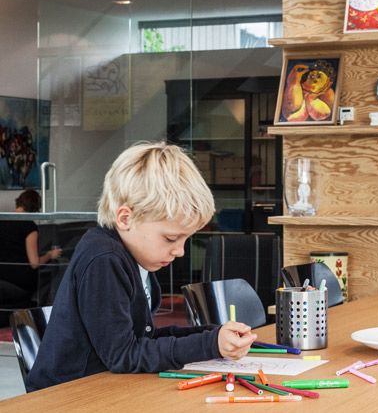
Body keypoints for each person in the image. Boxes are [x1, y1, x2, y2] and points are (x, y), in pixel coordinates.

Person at [26, 142, 257, 392]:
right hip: (64, 397)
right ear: (126, 218)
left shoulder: (132, 258)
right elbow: (124, 355)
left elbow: (141, 340)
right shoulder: (104, 259)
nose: (180, 251)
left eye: (185, 239)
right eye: (170, 238)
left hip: (102, 389)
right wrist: (210, 343)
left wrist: (213, 334)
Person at [0, 190, 63, 302]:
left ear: (19, 203)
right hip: (20, 285)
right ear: (34, 209)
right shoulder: (29, 226)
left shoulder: (2, 220)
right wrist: (50, 255)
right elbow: (34, 263)